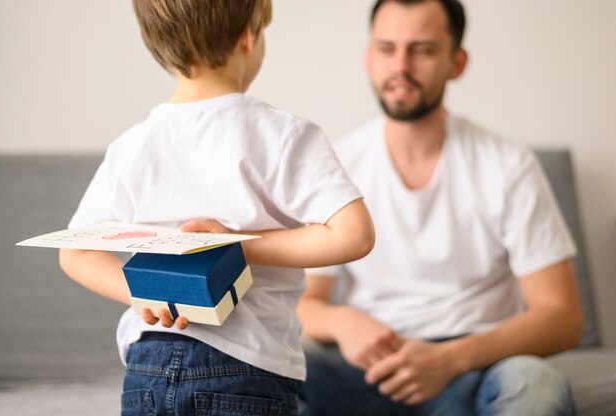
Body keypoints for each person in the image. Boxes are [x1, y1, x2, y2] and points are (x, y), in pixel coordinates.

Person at [58, 1, 375, 414]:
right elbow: (354, 234)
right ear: (248, 36)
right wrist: (238, 246)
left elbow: (75, 252)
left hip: (147, 367)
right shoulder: (284, 134)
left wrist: (150, 300)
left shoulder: (133, 145)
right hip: (247, 365)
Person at [298, 0, 583, 415]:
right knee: (284, 365)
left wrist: (448, 360)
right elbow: (303, 303)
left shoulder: (508, 165)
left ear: (457, 62)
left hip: (478, 368)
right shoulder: (336, 165)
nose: (400, 67)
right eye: (386, 48)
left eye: (422, 50)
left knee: (535, 382)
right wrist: (342, 323)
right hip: (368, 369)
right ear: (368, 58)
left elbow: (562, 316)